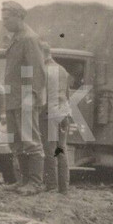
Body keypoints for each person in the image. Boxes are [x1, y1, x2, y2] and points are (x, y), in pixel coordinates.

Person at [1, 1, 46, 195]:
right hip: (13, 100)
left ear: (18, 16)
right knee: (16, 141)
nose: (4, 23)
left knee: (31, 142)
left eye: (7, 18)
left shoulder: (29, 39)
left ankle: (35, 183)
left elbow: (37, 71)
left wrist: (32, 96)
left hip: (24, 100)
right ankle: (23, 181)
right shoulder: (17, 38)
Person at [40, 43, 72, 193]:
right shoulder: (62, 69)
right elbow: (67, 93)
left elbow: (43, 97)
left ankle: (51, 185)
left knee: (49, 150)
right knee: (61, 149)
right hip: (63, 113)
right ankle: (64, 187)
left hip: (49, 115)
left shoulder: (44, 71)